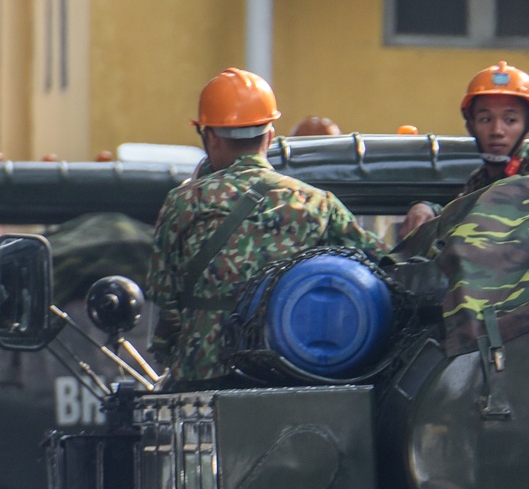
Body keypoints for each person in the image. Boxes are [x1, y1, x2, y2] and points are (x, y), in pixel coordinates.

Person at [147, 69, 381, 385]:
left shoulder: (184, 202)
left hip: (201, 375)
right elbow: (379, 265)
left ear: (211, 137)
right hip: (287, 374)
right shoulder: (317, 203)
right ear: (269, 137)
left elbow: (164, 294)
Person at [399, 61, 529, 237]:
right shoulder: (480, 180)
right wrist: (425, 207)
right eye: (485, 119)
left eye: (510, 121)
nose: (497, 131)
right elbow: (457, 218)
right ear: (470, 126)